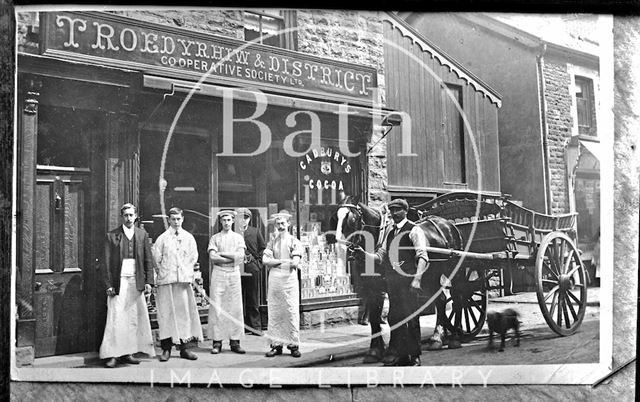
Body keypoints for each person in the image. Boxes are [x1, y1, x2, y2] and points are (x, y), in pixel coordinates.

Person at [352, 198, 428, 366]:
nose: (394, 213)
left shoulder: (414, 230)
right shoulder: (389, 232)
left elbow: (422, 257)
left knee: (412, 319)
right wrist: (364, 253)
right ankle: (401, 355)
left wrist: (417, 280)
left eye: (398, 210)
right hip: (393, 284)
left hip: (408, 283)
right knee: (395, 318)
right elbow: (380, 256)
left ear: (405, 211)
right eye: (392, 210)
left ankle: (415, 356)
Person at [99, 203, 156, 368]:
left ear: (136, 216)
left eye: (131, 215)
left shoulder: (142, 234)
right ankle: (112, 355)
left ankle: (128, 353)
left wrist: (148, 282)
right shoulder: (112, 236)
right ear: (122, 217)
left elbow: (148, 260)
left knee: (132, 318)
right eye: (126, 215)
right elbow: (106, 263)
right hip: (119, 282)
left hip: (135, 281)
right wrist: (108, 284)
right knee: (116, 317)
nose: (129, 218)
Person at [152, 207, 203, 362]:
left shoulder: (188, 238)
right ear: (169, 220)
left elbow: (194, 257)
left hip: (182, 282)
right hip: (167, 282)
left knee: (183, 314)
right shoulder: (162, 238)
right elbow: (156, 259)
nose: (176, 222)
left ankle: (184, 349)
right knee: (166, 314)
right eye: (173, 219)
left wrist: (184, 272)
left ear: (182, 219)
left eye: (178, 219)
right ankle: (166, 349)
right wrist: (165, 273)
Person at [262, 210, 303, 358]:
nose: (280, 226)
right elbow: (265, 260)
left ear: (288, 224)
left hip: (289, 280)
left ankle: (293, 345)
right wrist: (283, 261)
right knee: (275, 312)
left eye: (283, 223)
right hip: (275, 280)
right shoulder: (272, 241)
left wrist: (277, 262)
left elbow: (295, 263)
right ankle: (276, 345)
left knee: (290, 311)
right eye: (278, 224)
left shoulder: (294, 241)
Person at [208, 209, 247, 354]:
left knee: (235, 307)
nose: (226, 223)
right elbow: (213, 257)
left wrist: (222, 254)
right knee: (217, 306)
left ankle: (235, 342)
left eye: (229, 220)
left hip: (234, 273)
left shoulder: (238, 238)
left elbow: (240, 257)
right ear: (220, 221)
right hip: (218, 272)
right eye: (224, 220)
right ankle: (217, 342)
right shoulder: (215, 238)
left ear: (233, 221)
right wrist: (230, 258)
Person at [236, 207, 266, 335]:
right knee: (237, 297)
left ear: (249, 219)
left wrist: (258, 264)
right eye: (241, 217)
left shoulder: (255, 231)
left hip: (251, 268)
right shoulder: (233, 232)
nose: (243, 220)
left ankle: (255, 326)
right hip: (236, 268)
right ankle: (239, 327)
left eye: (246, 218)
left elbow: (262, 249)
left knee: (253, 297)